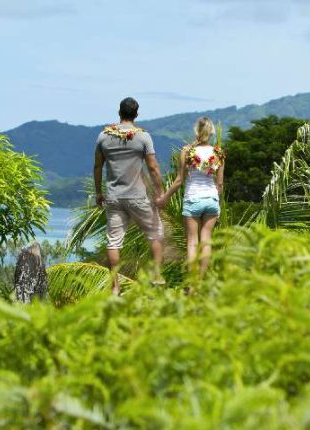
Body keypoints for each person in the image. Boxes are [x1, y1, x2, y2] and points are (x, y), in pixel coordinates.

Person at [94, 97, 166, 294]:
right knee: (156, 233)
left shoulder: (103, 136)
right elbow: (153, 167)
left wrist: (99, 192)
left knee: (114, 242)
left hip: (114, 197)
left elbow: (98, 166)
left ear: (119, 113)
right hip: (137, 196)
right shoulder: (143, 137)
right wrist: (160, 193)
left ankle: (114, 287)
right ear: (136, 114)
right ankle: (157, 275)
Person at [156, 117, 225, 278]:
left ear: (196, 131)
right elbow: (220, 184)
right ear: (211, 132)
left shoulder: (187, 152)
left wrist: (165, 197)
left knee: (193, 242)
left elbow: (179, 180)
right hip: (211, 200)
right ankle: (201, 280)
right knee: (206, 240)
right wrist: (217, 203)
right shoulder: (218, 153)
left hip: (193, 199)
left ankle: (193, 283)